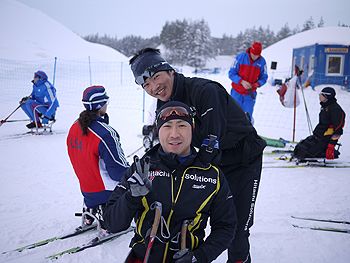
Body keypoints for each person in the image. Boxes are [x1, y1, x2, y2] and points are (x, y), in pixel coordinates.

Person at [128, 48, 266, 263]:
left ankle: (240, 260)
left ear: (170, 71)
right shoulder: (165, 103)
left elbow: (211, 144)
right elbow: (167, 142)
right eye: (146, 85)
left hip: (243, 159)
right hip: (213, 160)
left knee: (236, 226)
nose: (154, 87)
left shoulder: (205, 90)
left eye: (156, 77)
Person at [104, 101, 237, 263]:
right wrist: (131, 197)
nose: (174, 134)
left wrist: (200, 257)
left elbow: (226, 226)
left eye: (182, 126)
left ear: (192, 129)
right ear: (158, 131)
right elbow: (111, 223)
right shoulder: (141, 169)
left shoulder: (211, 175)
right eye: (167, 126)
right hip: (143, 258)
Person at [67, 85, 129, 230]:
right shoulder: (105, 134)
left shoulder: (74, 127)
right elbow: (118, 172)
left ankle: (91, 210)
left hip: (87, 189)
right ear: (101, 105)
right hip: (106, 191)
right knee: (139, 181)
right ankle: (111, 215)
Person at [293, 87, 345, 160]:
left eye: (322, 94)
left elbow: (338, 130)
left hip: (325, 138)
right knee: (300, 148)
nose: (319, 95)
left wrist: (331, 145)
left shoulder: (336, 110)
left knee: (303, 153)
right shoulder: (326, 106)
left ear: (327, 97)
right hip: (319, 136)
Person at [228, 42, 268, 123]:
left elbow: (264, 77)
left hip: (250, 95)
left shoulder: (262, 62)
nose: (254, 57)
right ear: (250, 51)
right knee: (232, 115)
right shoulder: (240, 57)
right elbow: (231, 73)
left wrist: (257, 84)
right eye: (253, 54)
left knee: (247, 118)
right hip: (236, 92)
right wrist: (241, 81)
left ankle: (246, 134)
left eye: (257, 56)